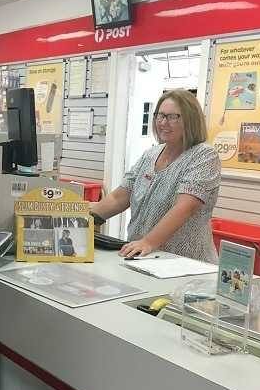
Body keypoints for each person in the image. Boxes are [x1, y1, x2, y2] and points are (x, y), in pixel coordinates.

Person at [91, 89, 221, 263]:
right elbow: (119, 196)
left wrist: (148, 242)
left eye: (172, 117)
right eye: (160, 116)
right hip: (143, 257)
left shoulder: (204, 155)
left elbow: (184, 208)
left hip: (186, 263)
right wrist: (87, 220)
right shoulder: (151, 154)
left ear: (191, 120)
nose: (163, 123)